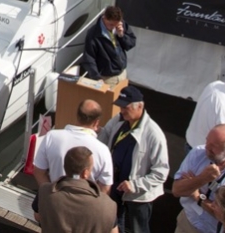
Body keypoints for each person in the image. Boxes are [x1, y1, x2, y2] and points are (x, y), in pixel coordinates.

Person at [97, 87, 169, 233]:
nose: (122, 111)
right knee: (114, 224)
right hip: (116, 187)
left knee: (138, 229)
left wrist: (136, 185)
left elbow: (161, 172)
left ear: (140, 106)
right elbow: (104, 138)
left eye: (126, 107)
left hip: (138, 195)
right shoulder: (118, 120)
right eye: (120, 106)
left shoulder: (154, 134)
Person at [172, 125, 225, 233]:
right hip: (188, 223)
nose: (207, 147)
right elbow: (177, 190)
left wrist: (198, 197)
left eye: (213, 146)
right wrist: (201, 179)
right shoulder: (197, 153)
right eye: (207, 141)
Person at [34, 100, 114, 193]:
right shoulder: (103, 150)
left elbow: (38, 171)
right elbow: (105, 187)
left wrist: (51, 194)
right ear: (96, 122)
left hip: (53, 201)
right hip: (85, 204)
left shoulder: (51, 136)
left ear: (77, 116)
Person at [36, 147, 118, 233]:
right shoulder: (108, 205)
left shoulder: (45, 191)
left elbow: (38, 216)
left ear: (65, 166)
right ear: (85, 173)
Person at [82, 5, 136, 86]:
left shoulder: (121, 24)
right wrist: (97, 78)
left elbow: (131, 44)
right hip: (107, 79)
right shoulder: (93, 33)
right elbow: (89, 58)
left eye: (115, 25)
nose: (113, 27)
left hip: (122, 73)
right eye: (110, 24)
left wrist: (122, 36)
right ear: (104, 18)